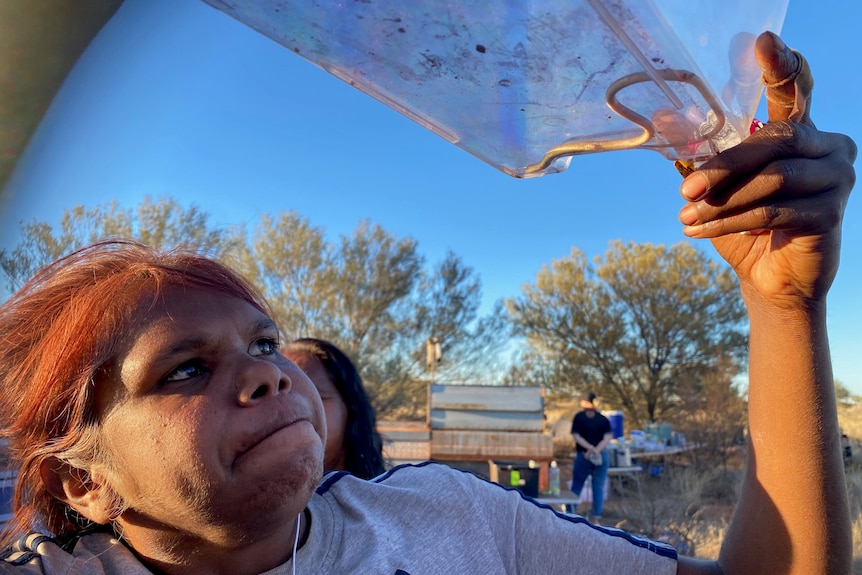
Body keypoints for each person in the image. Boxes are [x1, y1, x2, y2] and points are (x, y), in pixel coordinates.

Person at [0, 32, 855, 574]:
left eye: (265, 343)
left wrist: (782, 307)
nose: (268, 378)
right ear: (83, 480)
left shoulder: (451, 520)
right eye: (186, 367)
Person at [282, 338, 386, 479]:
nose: (288, 408)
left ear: (350, 409)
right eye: (279, 395)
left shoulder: (381, 497)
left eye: (313, 395)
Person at [569, 392, 613, 521]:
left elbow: (576, 436)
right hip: (601, 455)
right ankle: (596, 519)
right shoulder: (603, 419)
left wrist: (590, 449)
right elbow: (607, 438)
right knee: (598, 487)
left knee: (577, 486)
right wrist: (597, 450)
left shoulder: (579, 417)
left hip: (584, 455)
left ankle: (570, 515)